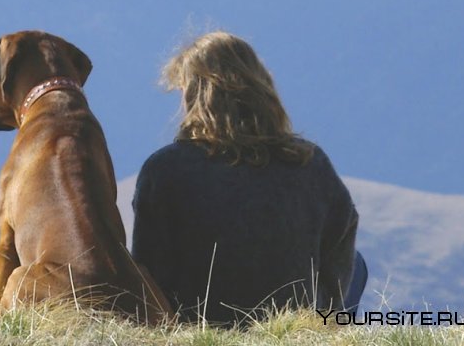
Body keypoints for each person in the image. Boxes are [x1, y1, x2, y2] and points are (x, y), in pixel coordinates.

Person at [131, 31, 366, 326]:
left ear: (192, 94)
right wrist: (324, 317)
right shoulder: (309, 163)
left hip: (200, 325)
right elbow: (340, 242)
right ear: (261, 85)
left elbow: (147, 270)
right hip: (293, 327)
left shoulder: (164, 170)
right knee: (357, 266)